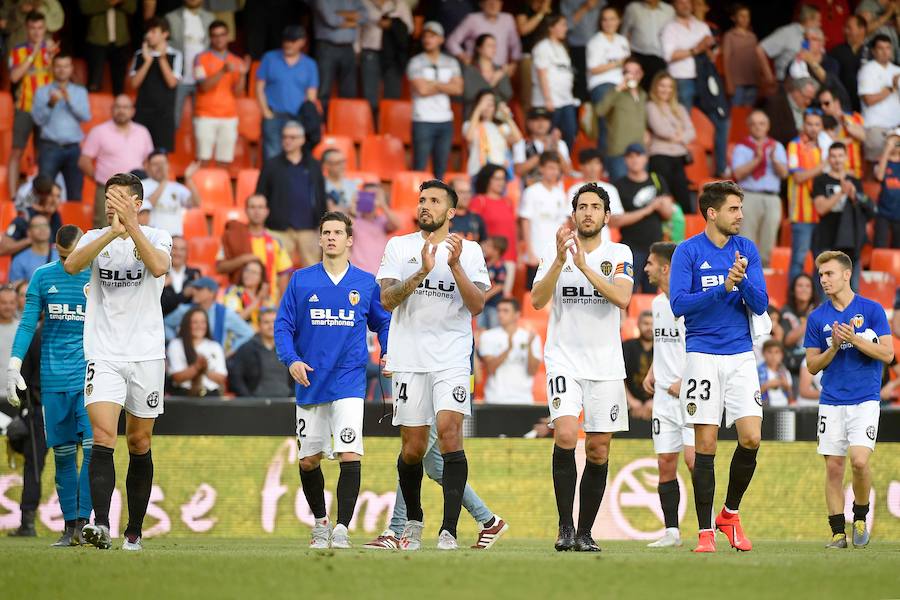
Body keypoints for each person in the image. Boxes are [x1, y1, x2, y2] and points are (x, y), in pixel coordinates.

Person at [376, 180, 490, 550]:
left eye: (434, 201)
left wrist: (454, 266)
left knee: (450, 431)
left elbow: (476, 306)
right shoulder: (400, 246)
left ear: (451, 212)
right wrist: (421, 272)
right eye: (422, 199)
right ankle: (413, 519)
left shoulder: (469, 251)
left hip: (452, 356)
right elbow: (388, 301)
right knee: (413, 448)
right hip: (409, 357)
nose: (425, 205)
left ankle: (449, 530)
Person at [63, 172, 173, 551]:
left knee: (139, 442)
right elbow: (71, 266)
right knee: (103, 437)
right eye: (108, 197)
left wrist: (132, 228)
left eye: (119, 197)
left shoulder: (158, 236)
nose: (110, 202)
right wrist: (112, 232)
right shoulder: (95, 238)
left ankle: (134, 531)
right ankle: (101, 523)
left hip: (146, 354)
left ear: (137, 202)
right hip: (104, 353)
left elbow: (158, 267)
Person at [276, 211, 390, 549]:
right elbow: (283, 326)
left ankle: (341, 529)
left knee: (349, 453)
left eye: (338, 232)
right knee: (309, 460)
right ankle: (321, 523)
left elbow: (383, 322)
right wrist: (292, 359)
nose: (331, 237)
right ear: (320, 238)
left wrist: (387, 351)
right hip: (311, 381)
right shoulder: (301, 280)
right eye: (326, 232)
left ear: (349, 240)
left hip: (349, 380)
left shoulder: (365, 283)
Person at [531, 182, 634, 552]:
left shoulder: (619, 252)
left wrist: (586, 268)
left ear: (607, 215)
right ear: (573, 214)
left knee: (599, 449)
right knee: (565, 435)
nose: (588, 212)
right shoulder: (554, 251)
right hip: (563, 360)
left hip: (606, 364)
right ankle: (565, 527)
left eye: (595, 206)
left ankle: (586, 532)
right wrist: (560, 261)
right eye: (582, 206)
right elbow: (537, 301)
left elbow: (622, 297)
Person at [669, 181, 768, 553]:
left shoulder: (747, 250)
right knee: (705, 444)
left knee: (752, 438)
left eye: (740, 208)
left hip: (741, 354)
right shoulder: (688, 251)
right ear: (712, 213)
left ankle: (730, 512)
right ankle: (705, 531)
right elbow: (679, 304)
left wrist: (741, 284)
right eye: (733, 209)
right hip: (702, 355)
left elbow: (760, 304)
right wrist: (722, 287)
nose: (740, 215)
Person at [6, 225, 91, 546]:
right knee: (64, 456)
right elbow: (28, 322)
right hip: (53, 381)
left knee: (96, 451)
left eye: (76, 256)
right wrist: (14, 365)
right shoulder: (43, 276)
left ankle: (85, 523)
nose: (70, 262)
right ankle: (70, 527)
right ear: (56, 250)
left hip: (91, 378)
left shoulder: (98, 276)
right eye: (64, 256)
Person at [804, 250, 894, 549]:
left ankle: (860, 514)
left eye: (828, 274)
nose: (823, 280)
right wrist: (834, 346)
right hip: (831, 400)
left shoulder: (872, 310)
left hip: (865, 398)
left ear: (846, 274)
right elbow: (812, 365)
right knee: (833, 468)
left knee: (858, 461)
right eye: (820, 275)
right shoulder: (817, 317)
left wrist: (855, 339)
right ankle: (837, 533)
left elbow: (888, 354)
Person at [641, 241, 694, 548]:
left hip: (689, 395)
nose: (645, 268)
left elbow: (700, 345)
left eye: (649, 263)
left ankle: (706, 525)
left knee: (692, 460)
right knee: (665, 461)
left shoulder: (687, 302)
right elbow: (666, 344)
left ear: (664, 268)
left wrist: (684, 380)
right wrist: (652, 371)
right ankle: (671, 532)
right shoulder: (657, 304)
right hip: (663, 396)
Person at [255, 121, 326, 268]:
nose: (287, 140)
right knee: (277, 270)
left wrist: (321, 224)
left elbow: (321, 196)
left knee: (312, 273)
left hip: (308, 229)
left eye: (292, 137)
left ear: (302, 140)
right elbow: (260, 195)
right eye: (285, 137)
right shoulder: (271, 165)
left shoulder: (314, 165)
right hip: (278, 229)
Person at [78, 94, 155, 228]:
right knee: (104, 227)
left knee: (134, 227)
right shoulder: (99, 131)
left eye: (125, 107)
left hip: (134, 190)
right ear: (112, 110)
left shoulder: (142, 132)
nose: (121, 110)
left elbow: (148, 161)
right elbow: (84, 161)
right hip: (108, 190)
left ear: (132, 111)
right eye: (118, 107)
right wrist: (101, 180)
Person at [610, 143, 674, 293]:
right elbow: (614, 221)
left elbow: (668, 213)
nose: (635, 160)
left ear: (645, 158)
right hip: (631, 247)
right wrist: (648, 209)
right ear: (625, 160)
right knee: (626, 290)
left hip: (655, 247)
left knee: (652, 292)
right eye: (630, 156)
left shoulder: (656, 179)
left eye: (639, 155)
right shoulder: (619, 185)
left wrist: (662, 206)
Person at [8, 10, 57, 202]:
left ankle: (40, 196)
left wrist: (51, 58)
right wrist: (34, 53)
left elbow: (58, 78)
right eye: (33, 28)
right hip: (24, 107)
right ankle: (12, 197)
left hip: (46, 109)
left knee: (42, 154)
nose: (37, 32)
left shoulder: (51, 49)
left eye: (40, 28)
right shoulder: (18, 50)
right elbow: (14, 77)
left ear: (45, 29)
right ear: (27, 29)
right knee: (17, 151)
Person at [731, 110, 789, 266]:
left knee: (768, 240)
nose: (758, 127)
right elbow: (737, 173)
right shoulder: (742, 147)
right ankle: (744, 275)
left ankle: (763, 277)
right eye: (754, 124)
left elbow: (784, 173)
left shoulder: (776, 146)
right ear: (749, 126)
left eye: (762, 123)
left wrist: (774, 160)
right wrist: (757, 160)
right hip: (749, 195)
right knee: (746, 239)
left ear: (768, 126)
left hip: (771, 197)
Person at [811, 142, 872, 291]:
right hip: (827, 239)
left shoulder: (855, 182)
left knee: (852, 287)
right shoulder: (820, 180)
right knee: (825, 287)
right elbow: (821, 208)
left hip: (851, 243)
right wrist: (841, 193)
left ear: (846, 157)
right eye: (833, 156)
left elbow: (866, 209)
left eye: (840, 156)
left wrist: (853, 195)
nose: (837, 160)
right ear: (828, 158)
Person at [32, 52, 90, 203]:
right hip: (49, 148)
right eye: (58, 66)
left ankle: (73, 226)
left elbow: (86, 117)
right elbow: (38, 120)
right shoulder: (42, 91)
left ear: (71, 69)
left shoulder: (79, 91)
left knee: (75, 194)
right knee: (44, 193)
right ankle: (43, 226)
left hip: (73, 149)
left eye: (65, 66)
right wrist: (50, 104)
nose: (62, 70)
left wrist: (69, 101)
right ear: (52, 68)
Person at [408, 22, 463, 180]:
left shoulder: (451, 62)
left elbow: (458, 89)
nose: (427, 39)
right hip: (422, 120)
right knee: (419, 166)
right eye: (425, 36)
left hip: (445, 120)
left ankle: (438, 203)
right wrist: (446, 85)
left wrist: (434, 83)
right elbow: (422, 90)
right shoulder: (415, 62)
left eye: (432, 36)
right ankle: (417, 202)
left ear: (441, 39)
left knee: (441, 169)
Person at [256, 25, 319, 160]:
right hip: (274, 116)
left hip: (297, 117)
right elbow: (259, 87)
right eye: (286, 40)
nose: (288, 44)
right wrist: (266, 111)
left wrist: (306, 116)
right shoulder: (269, 58)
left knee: (295, 157)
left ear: (302, 42)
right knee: (272, 156)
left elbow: (311, 94)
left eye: (293, 41)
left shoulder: (310, 64)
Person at [193, 19, 249, 167]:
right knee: (202, 159)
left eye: (222, 34)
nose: (219, 39)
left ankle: (217, 189)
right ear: (210, 37)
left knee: (224, 160)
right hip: (205, 115)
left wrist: (243, 75)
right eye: (215, 35)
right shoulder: (200, 58)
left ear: (228, 36)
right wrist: (222, 71)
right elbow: (204, 86)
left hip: (229, 116)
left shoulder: (236, 60)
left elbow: (238, 93)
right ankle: (200, 190)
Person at [216, 194, 294, 295]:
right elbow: (220, 267)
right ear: (246, 210)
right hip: (239, 302)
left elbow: (283, 273)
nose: (256, 211)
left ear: (267, 211)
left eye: (260, 207)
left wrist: (281, 303)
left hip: (268, 303)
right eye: (252, 207)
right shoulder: (233, 235)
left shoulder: (275, 240)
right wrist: (243, 259)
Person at [129, 17, 182, 152]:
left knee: (161, 155)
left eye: (153, 31)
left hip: (164, 115)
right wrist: (147, 61)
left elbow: (171, 83)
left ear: (165, 34)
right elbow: (134, 84)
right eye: (147, 31)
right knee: (138, 153)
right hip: (141, 113)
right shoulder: (140, 54)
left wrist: (162, 57)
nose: (148, 35)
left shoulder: (175, 55)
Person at [645, 71, 695, 215]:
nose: (666, 90)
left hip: (679, 158)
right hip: (659, 156)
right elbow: (660, 129)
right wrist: (679, 132)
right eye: (662, 86)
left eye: (669, 86)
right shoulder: (651, 106)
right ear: (655, 87)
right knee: (663, 197)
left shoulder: (679, 108)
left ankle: (687, 234)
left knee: (684, 199)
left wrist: (679, 136)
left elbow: (692, 132)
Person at [164, 277, 255, 355]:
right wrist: (176, 341)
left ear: (212, 293)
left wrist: (230, 352)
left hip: (214, 362)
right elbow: (164, 325)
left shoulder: (224, 313)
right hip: (186, 359)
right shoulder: (185, 310)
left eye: (199, 289)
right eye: (194, 288)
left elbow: (248, 333)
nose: (194, 291)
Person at [519, 151, 569, 289]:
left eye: (557, 169)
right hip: (536, 252)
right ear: (541, 168)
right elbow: (525, 222)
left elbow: (563, 225)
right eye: (551, 168)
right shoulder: (531, 192)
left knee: (557, 294)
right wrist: (529, 251)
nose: (554, 172)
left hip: (555, 254)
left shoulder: (560, 194)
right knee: (534, 294)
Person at [787, 109, 826, 284]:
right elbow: (798, 177)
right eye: (810, 124)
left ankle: (818, 304)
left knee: (822, 264)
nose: (813, 128)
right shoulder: (794, 146)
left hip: (823, 215)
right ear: (803, 125)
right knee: (798, 260)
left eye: (817, 124)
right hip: (801, 215)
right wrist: (823, 166)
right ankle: (793, 305)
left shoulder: (825, 148)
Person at [593, 57, 647, 182]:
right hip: (619, 153)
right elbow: (599, 111)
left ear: (641, 74)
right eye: (627, 72)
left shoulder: (643, 94)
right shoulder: (614, 92)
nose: (632, 76)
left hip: (639, 153)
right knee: (620, 194)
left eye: (636, 72)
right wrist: (618, 89)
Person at [479, 297, 541, 406]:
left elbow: (532, 371)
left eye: (505, 311)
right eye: (499, 310)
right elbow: (490, 369)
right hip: (495, 399)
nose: (500, 314)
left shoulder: (531, 337)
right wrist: (508, 349)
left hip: (524, 400)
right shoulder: (488, 336)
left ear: (517, 314)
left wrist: (529, 347)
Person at [586, 6, 630, 159]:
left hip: (623, 85)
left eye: (612, 19)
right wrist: (618, 63)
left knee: (624, 125)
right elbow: (593, 69)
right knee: (608, 126)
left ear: (619, 21)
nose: (608, 22)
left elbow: (628, 65)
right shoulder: (596, 41)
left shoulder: (622, 40)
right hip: (602, 84)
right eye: (605, 19)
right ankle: (606, 164)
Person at [164, 0, 215, 129]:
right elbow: (165, 45)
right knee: (173, 120)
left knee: (203, 123)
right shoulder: (171, 17)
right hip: (179, 77)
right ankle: (171, 149)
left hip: (202, 79)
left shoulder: (210, 18)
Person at [311, 0, 366, 119]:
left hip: (348, 47)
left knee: (349, 90)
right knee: (324, 90)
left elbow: (365, 16)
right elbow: (331, 20)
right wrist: (353, 17)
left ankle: (345, 123)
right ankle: (321, 125)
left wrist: (340, 14)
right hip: (327, 47)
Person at [359, 0, 413, 121]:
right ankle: (371, 129)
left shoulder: (400, 4)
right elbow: (358, 27)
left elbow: (409, 29)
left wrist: (392, 24)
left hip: (393, 55)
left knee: (392, 96)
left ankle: (390, 127)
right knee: (370, 96)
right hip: (370, 51)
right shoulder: (364, 2)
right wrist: (357, 50)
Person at [531, 14, 576, 151]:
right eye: (562, 24)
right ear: (551, 27)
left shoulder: (562, 47)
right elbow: (542, 73)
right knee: (547, 135)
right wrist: (548, 98)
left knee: (570, 131)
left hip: (565, 99)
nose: (565, 28)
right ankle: (548, 164)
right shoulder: (542, 47)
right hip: (549, 101)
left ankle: (563, 163)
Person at [659, 0, 714, 111]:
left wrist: (708, 48)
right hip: (682, 78)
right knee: (684, 114)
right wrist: (696, 49)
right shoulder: (669, 28)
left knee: (708, 113)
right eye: (681, 3)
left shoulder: (702, 26)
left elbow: (710, 54)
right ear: (674, 6)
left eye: (687, 2)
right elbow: (669, 56)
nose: (685, 6)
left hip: (703, 77)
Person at [227, 307, 293, 398]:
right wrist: (248, 399)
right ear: (258, 325)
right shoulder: (247, 348)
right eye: (266, 322)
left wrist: (293, 396)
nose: (271, 326)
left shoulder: (289, 348)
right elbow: (235, 376)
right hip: (257, 404)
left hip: (286, 402)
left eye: (274, 322)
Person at [565, 149, 626, 246]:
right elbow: (571, 222)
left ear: (602, 166)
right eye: (589, 163)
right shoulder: (574, 189)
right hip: (579, 243)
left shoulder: (611, 189)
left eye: (596, 163)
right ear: (581, 166)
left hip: (605, 241)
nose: (593, 168)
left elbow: (616, 220)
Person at [446, 0, 520, 76]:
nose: (493, 5)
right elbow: (451, 42)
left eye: (497, 2)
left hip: (500, 70)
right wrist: (465, 58)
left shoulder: (508, 19)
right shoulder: (472, 19)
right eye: (489, 2)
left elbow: (515, 44)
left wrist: (514, 64)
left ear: (501, 3)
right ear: (481, 4)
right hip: (477, 70)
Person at [857, 35, 900, 163]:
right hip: (875, 127)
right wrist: (891, 88)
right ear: (873, 51)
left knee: (895, 166)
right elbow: (868, 100)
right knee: (875, 164)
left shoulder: (897, 70)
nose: (885, 51)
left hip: (896, 128)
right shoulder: (867, 70)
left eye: (888, 48)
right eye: (880, 48)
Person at [167, 306, 227, 396]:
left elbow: (222, 378)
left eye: (203, 322)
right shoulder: (176, 344)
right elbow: (177, 377)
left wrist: (205, 370)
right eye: (195, 322)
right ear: (187, 324)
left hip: (211, 397)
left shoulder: (215, 346)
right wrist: (196, 367)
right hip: (184, 396)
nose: (199, 326)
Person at [80, 0, 135, 95]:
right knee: (94, 82)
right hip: (97, 40)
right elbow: (85, 7)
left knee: (119, 85)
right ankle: (93, 107)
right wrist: (111, 2)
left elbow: (132, 8)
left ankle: (120, 108)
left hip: (121, 40)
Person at [462, 90, 522, 176]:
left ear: (495, 107)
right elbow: (469, 137)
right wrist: (478, 110)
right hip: (477, 172)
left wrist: (507, 117)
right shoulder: (469, 125)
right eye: (483, 104)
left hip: (499, 173)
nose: (486, 108)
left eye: (490, 105)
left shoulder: (501, 127)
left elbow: (517, 139)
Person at [757, 4, 821, 84]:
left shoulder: (807, 37)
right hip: (784, 84)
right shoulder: (787, 33)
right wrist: (768, 75)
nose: (819, 24)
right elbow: (760, 49)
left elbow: (804, 55)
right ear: (808, 19)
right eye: (818, 21)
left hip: (803, 85)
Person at [141, 151, 201, 236]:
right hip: (152, 239)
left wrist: (189, 179)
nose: (160, 167)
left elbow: (196, 203)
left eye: (163, 163)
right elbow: (148, 205)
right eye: (155, 164)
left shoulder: (176, 187)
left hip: (174, 240)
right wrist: (164, 181)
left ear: (168, 165)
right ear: (148, 167)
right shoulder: (142, 185)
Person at [470, 163, 517, 267]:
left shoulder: (508, 202)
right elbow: (473, 229)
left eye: (503, 179)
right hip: (488, 259)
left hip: (510, 258)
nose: (501, 182)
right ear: (487, 179)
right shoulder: (479, 201)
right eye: (497, 179)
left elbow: (513, 232)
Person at [349, 183, 402, 274]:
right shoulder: (353, 221)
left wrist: (383, 205)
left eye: (374, 196)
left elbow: (397, 225)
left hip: (379, 274)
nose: (370, 199)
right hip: (359, 272)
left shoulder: (382, 221)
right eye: (367, 195)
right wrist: (353, 205)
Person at [621, 0, 675, 89]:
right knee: (635, 89)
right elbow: (625, 34)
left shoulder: (669, 10)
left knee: (658, 90)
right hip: (638, 56)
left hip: (660, 58)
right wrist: (628, 57)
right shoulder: (633, 9)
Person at [512, 107, 571, 187]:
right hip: (531, 190)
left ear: (550, 123)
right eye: (536, 120)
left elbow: (568, 171)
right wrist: (543, 153)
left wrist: (555, 150)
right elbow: (518, 170)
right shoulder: (521, 144)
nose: (541, 123)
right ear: (528, 123)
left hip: (556, 191)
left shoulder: (560, 143)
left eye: (545, 120)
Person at [461, 33, 514, 118]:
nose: (493, 49)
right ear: (479, 48)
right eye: (489, 46)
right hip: (474, 119)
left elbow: (508, 94)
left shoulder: (500, 69)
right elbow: (469, 95)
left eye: (495, 46)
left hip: (497, 119)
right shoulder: (470, 70)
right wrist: (493, 82)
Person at [828, 15, 869, 113]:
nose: (845, 31)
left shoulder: (871, 52)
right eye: (845, 28)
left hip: (866, 108)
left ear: (862, 30)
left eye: (849, 28)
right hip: (842, 106)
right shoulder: (836, 52)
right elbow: (830, 80)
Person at [781, 273, 820, 374]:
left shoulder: (820, 311)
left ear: (812, 291)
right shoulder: (786, 311)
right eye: (800, 285)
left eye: (807, 286)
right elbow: (787, 340)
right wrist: (809, 319)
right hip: (792, 364)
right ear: (793, 290)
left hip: (815, 364)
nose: (804, 289)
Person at [722, 4, 760, 107]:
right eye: (741, 16)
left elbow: (757, 60)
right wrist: (729, 82)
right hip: (736, 84)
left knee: (749, 113)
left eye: (747, 16)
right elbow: (726, 59)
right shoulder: (729, 36)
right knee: (735, 112)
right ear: (734, 18)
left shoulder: (752, 37)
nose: (745, 19)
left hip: (752, 82)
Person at [764, 77, 819, 147]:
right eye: (806, 97)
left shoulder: (807, 109)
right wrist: (799, 135)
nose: (808, 102)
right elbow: (772, 132)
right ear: (796, 92)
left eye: (811, 99)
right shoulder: (775, 104)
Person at [222, 258, 274, 328]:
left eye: (254, 272)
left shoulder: (264, 296)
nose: (249, 274)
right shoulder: (233, 292)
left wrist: (264, 299)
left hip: (261, 336)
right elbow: (234, 321)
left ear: (261, 278)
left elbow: (273, 318)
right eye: (247, 270)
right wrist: (258, 300)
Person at [623, 310, 654, 420]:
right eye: (645, 323)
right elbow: (620, 377)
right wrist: (631, 400)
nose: (649, 328)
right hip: (627, 403)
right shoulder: (627, 346)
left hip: (658, 403)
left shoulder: (663, 349)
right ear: (638, 325)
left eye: (652, 324)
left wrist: (654, 401)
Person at [9, 213, 58, 282]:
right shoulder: (19, 260)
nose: (42, 229)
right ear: (29, 232)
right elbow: (16, 288)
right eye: (37, 226)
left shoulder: (61, 256)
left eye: (45, 225)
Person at [161, 235, 201, 315]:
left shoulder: (194, 274)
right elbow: (161, 305)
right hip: (164, 320)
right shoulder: (160, 274)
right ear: (168, 250)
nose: (178, 253)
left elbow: (198, 303)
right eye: (175, 248)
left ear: (187, 253)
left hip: (189, 322)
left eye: (182, 249)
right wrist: (184, 294)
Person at [873, 129, 900, 248]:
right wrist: (887, 151)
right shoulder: (881, 161)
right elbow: (879, 176)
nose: (894, 145)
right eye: (891, 141)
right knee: (880, 245)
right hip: (883, 212)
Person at [478, 235, 508, 329]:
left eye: (488, 246)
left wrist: (486, 296)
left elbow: (499, 286)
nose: (485, 248)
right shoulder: (483, 263)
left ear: (496, 251)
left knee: (493, 328)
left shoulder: (500, 267)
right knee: (480, 328)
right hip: (482, 304)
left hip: (494, 305)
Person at [448, 176, 487, 242]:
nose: (466, 196)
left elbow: (482, 245)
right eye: (461, 192)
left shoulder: (477, 219)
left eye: (468, 192)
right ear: (451, 194)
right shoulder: (443, 218)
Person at [757, 339, 793, 406]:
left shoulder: (785, 372)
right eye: (769, 352)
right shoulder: (757, 372)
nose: (773, 356)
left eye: (776, 352)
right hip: (765, 409)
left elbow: (790, 397)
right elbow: (753, 395)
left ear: (781, 355)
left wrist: (786, 386)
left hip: (783, 406)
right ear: (763, 353)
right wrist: (766, 386)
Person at [322, 149, 359, 213]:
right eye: (338, 163)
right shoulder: (320, 186)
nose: (343, 166)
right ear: (326, 165)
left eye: (344, 161)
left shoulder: (352, 184)